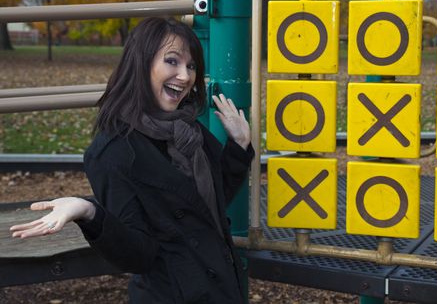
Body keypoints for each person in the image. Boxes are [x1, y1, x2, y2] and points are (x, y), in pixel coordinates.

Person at [10, 17, 254, 303]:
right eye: (172, 61)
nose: (186, 76)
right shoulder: (114, 152)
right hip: (175, 294)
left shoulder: (188, 129)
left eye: (191, 66)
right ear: (141, 64)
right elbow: (138, 256)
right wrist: (89, 212)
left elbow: (209, 205)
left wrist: (238, 146)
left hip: (221, 285)